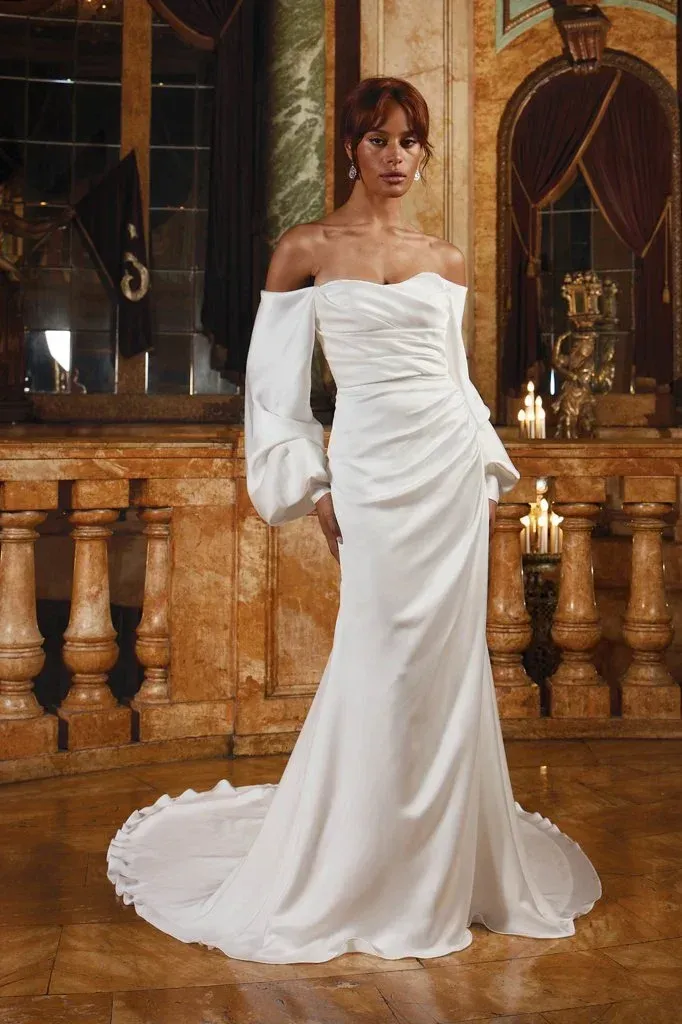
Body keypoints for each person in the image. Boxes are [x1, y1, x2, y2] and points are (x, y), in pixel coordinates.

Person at [107, 77, 601, 964]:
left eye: (411, 141)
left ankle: (443, 868)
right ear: (350, 148)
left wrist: (484, 468)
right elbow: (274, 391)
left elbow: (453, 382)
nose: (396, 157)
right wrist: (318, 487)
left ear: (425, 152)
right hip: (370, 474)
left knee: (447, 670)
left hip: (443, 471)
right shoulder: (304, 249)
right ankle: (357, 864)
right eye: (379, 140)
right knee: (378, 657)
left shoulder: (445, 260)